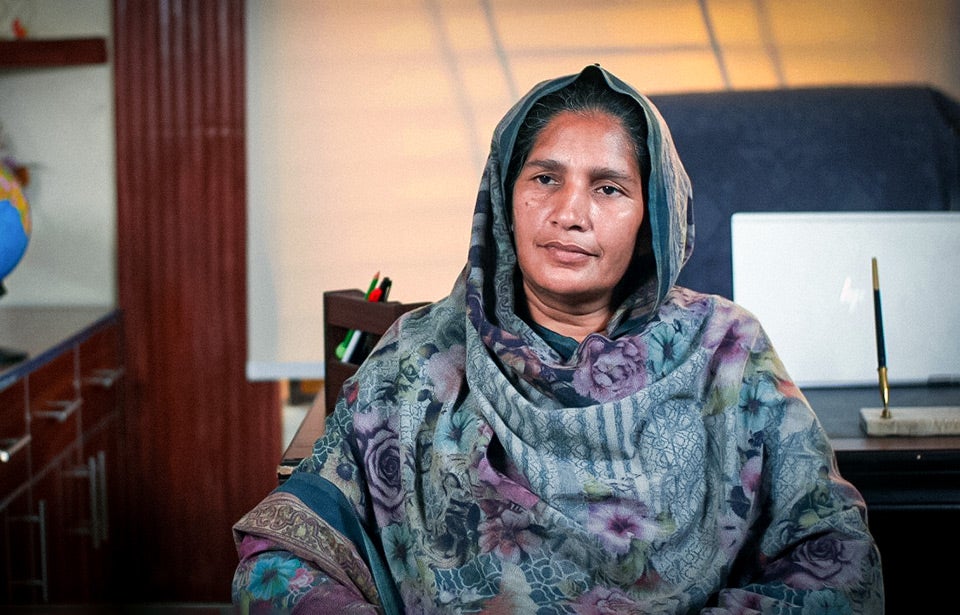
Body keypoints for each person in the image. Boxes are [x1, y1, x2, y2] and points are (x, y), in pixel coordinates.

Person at [232, 65, 884, 614]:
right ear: (504, 197)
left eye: (608, 187)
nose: (569, 212)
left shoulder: (726, 353)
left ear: (653, 217)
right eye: (544, 178)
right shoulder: (419, 358)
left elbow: (838, 562)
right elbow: (281, 559)